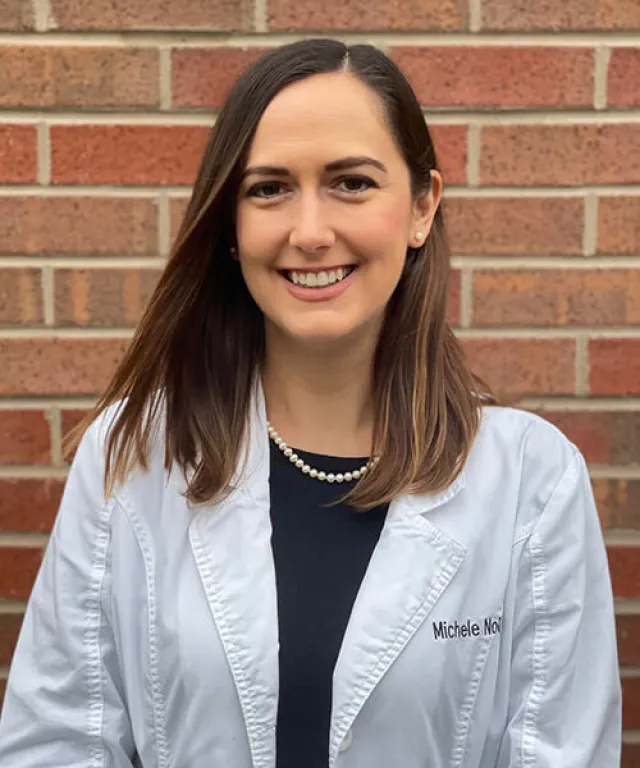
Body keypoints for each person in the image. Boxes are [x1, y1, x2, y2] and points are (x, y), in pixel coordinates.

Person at [0, 38, 621, 767]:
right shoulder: (133, 455)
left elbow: (561, 752)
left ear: (422, 207)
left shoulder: (532, 481)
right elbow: (57, 744)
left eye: (351, 183)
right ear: (231, 227)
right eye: (268, 189)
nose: (310, 232)